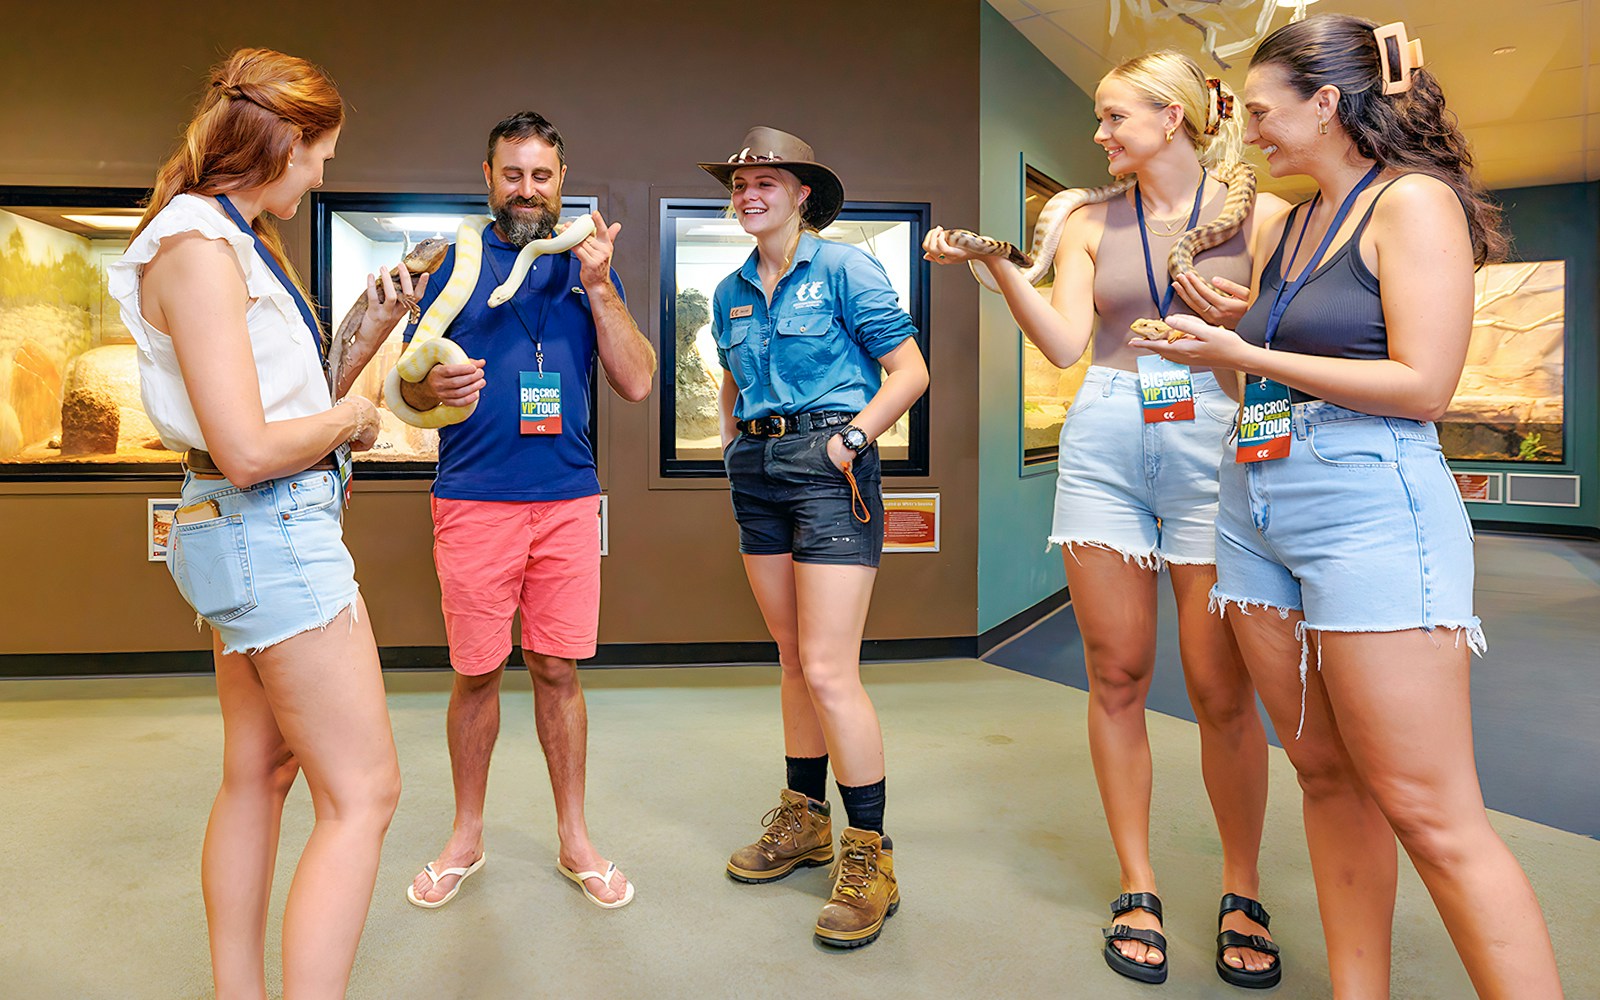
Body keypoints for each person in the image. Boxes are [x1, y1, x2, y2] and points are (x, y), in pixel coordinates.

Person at [1134, 15, 1563, 998]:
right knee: (1321, 771)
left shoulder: (1411, 204)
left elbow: (1422, 385)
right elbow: (1304, 353)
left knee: (1430, 809)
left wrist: (1241, 354)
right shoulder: (1286, 224)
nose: (1246, 138)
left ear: (1324, 102)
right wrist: (1227, 322)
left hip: (1368, 504)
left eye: (1258, 113)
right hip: (1254, 503)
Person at [924, 52, 1288, 988]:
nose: (1098, 134)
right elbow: (1062, 344)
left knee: (1219, 691)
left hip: (1216, 441)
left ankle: (1241, 887)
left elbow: (1287, 356)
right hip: (1104, 444)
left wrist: (1266, 427)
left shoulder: (1268, 217)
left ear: (1171, 118)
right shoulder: (1088, 220)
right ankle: (1138, 882)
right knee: (1116, 673)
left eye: (1114, 116)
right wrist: (999, 266)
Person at [109, 48, 415, 999]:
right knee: (364, 794)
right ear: (282, 141)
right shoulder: (200, 247)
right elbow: (245, 447)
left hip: (248, 528)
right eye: (320, 151)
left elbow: (262, 408)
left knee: (260, 772)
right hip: (266, 524)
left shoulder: (219, 235)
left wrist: (358, 338)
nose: (324, 171)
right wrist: (356, 420)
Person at [401, 111, 655, 912]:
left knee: (557, 668)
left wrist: (601, 286)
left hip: (567, 503)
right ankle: (465, 837)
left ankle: (575, 839)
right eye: (512, 174)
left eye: (541, 176)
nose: (527, 190)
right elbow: (406, 382)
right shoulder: (450, 263)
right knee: (476, 671)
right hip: (473, 499)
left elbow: (639, 381)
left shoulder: (586, 265)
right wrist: (424, 389)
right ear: (487, 177)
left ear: (561, 182)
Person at [696, 126, 929, 948]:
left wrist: (854, 441)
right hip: (758, 470)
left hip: (830, 464)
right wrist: (734, 446)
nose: (748, 192)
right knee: (792, 658)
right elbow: (732, 381)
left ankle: (871, 854)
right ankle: (805, 822)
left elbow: (910, 372)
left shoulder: (844, 266)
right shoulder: (728, 289)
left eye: (767, 180)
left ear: (802, 194)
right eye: (740, 182)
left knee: (831, 668)